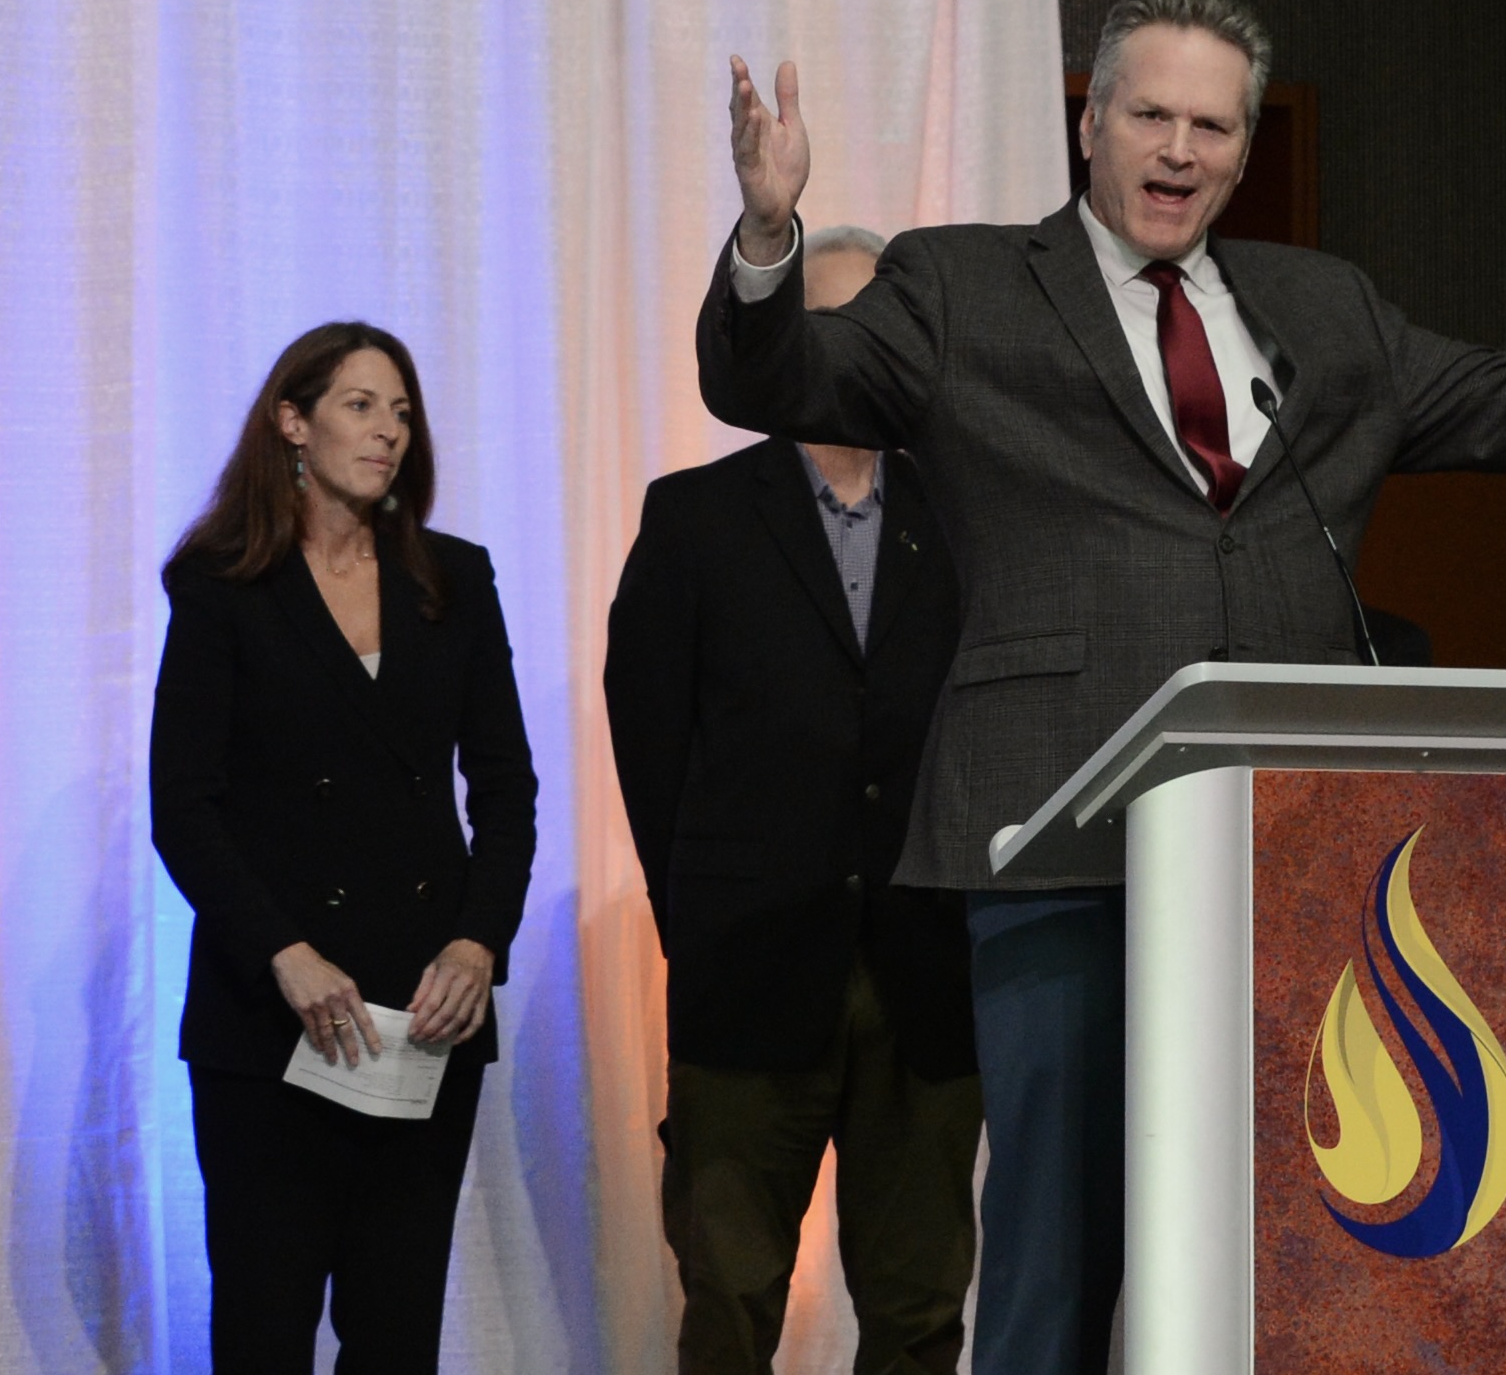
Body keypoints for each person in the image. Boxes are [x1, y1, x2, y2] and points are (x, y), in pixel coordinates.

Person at [700, 0, 1506, 1374]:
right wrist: (766, 237)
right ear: (1089, 123)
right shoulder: (960, 285)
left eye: (1210, 127)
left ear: (1238, 149)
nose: (1177, 150)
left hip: (1300, 844)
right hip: (1059, 835)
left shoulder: (1320, 307)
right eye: (1148, 115)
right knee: (1056, 1249)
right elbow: (775, 380)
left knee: (1289, 1243)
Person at [607, 225, 981, 1375]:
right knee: (729, 1300)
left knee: (919, 1311)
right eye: (831, 326)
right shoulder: (694, 517)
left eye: (881, 329)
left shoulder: (966, 518)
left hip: (925, 977)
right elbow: (649, 743)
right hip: (749, 971)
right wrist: (700, 919)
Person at [149, 321, 538, 1371]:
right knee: (264, 1327)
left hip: (422, 1010)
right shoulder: (221, 583)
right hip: (269, 1015)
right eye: (360, 406)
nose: (388, 432)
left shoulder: (453, 577)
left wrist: (477, 944)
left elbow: (505, 788)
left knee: (396, 1329)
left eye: (401, 412)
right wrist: (285, 953)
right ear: (293, 422)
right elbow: (183, 806)